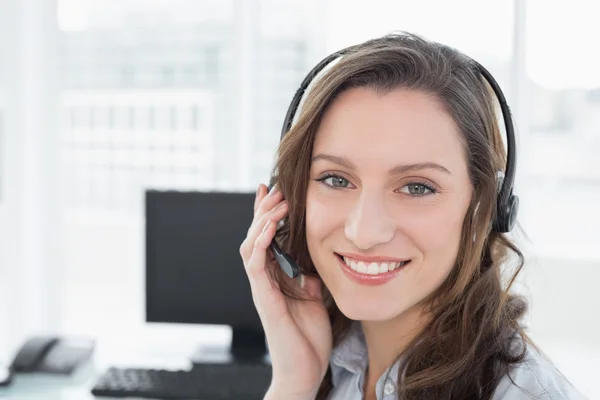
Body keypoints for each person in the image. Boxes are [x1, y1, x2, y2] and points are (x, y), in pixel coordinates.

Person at [239, 32, 586, 400]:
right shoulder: (327, 369)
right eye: (336, 179)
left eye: (417, 187)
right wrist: (294, 383)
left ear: (486, 207)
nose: (364, 232)